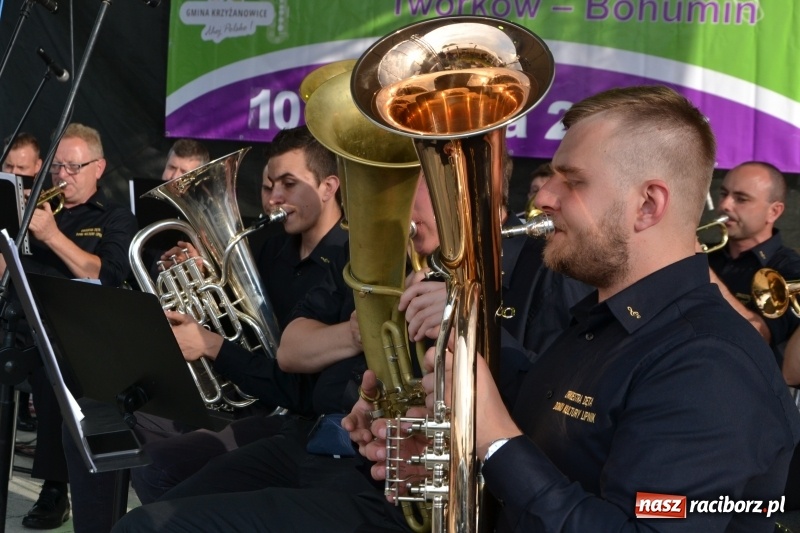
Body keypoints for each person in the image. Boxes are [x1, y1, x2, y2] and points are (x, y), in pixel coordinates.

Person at [351, 85, 800, 532]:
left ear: (647, 205)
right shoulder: (598, 322)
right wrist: (446, 453)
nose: (544, 197)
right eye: (550, 178)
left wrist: (495, 443)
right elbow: (556, 457)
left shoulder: (711, 364)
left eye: (573, 180)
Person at [110, 142, 593, 531]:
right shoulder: (373, 257)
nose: (396, 206)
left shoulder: (539, 271)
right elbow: (291, 352)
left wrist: (459, 328)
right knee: (152, 510)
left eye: (413, 188)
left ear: (479, 200)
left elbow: (551, 401)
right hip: (328, 444)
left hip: (396, 484)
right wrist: (369, 359)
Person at [63, 125, 346, 533]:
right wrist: (204, 273)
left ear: (328, 187)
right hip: (243, 395)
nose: (274, 198)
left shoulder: (340, 260)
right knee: (92, 423)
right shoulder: (270, 245)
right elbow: (239, 320)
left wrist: (213, 346)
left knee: (158, 470)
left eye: (288, 184)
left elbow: (293, 381)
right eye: (268, 186)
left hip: (283, 411)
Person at [0, 124, 138, 530]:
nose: (63, 176)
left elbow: (106, 275)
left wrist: (52, 236)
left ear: (99, 167)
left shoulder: (115, 218)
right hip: (18, 318)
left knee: (51, 362)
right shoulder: (35, 209)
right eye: (57, 166)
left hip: (72, 331)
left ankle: (54, 489)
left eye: (74, 167)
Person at [705, 161, 800, 365]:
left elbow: (760, 337)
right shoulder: (707, 255)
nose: (724, 205)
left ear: (774, 212)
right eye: (723, 194)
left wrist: (703, 273)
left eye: (741, 199)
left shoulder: (791, 269)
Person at [1, 132, 43, 432]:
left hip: (33, 314)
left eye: (22, 170)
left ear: (39, 168)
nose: (14, 176)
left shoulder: (48, 209)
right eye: (9, 168)